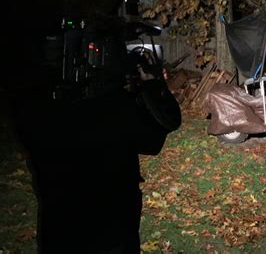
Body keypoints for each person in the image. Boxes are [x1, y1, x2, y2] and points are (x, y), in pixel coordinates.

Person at [8, 30, 180, 254]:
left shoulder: (30, 108)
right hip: (113, 237)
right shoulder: (114, 109)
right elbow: (154, 138)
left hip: (58, 235)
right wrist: (152, 86)